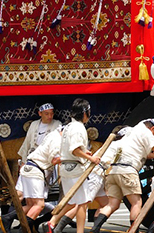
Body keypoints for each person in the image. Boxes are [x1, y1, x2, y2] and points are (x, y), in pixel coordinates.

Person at [91, 120, 154, 233]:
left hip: (113, 171)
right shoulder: (146, 132)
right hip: (128, 171)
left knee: (112, 204)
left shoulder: (130, 133)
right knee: (136, 202)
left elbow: (148, 154)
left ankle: (95, 229)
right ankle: (133, 230)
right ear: (152, 129)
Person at [2, 125, 65, 232]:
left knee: (31, 205)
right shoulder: (57, 139)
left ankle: (8, 217)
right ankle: (22, 230)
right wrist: (70, 157)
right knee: (39, 205)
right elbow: (54, 160)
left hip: (30, 168)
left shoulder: (52, 135)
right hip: (35, 170)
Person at [59, 99, 100, 233]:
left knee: (71, 202)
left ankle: (52, 222)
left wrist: (85, 153)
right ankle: (80, 232)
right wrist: (91, 158)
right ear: (84, 113)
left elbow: (75, 150)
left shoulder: (69, 126)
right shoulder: (77, 127)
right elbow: (75, 150)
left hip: (66, 167)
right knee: (82, 203)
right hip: (74, 169)